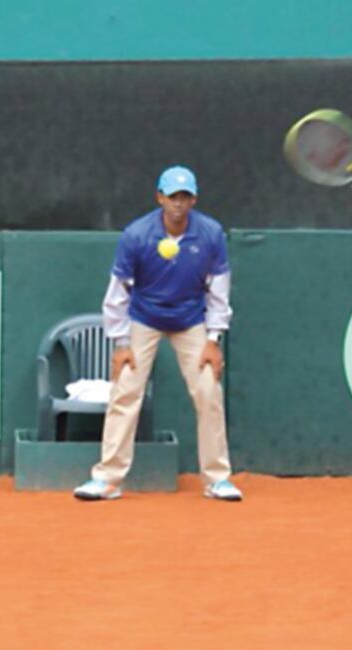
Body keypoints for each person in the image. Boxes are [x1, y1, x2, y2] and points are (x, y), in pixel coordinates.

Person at [74, 166, 243, 501]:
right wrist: (121, 344)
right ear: (160, 198)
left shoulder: (210, 234)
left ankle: (217, 479)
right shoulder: (137, 235)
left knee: (209, 392)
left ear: (194, 199)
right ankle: (108, 479)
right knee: (125, 393)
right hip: (143, 318)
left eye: (184, 197)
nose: (178, 204)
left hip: (191, 320)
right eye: (172, 196)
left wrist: (213, 339)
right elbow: (118, 293)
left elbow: (219, 290)